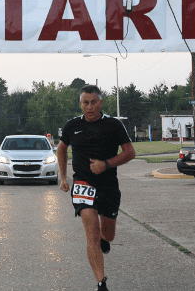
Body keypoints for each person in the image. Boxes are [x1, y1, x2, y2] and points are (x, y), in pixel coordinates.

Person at [57, 85, 135, 291]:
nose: (89, 107)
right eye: (85, 102)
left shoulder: (113, 125)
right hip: (83, 184)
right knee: (91, 233)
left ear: (100, 103)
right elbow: (62, 148)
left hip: (108, 185)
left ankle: (104, 238)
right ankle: (101, 283)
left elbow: (130, 152)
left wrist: (106, 164)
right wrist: (63, 177)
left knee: (108, 235)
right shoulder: (72, 126)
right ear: (80, 104)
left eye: (93, 102)